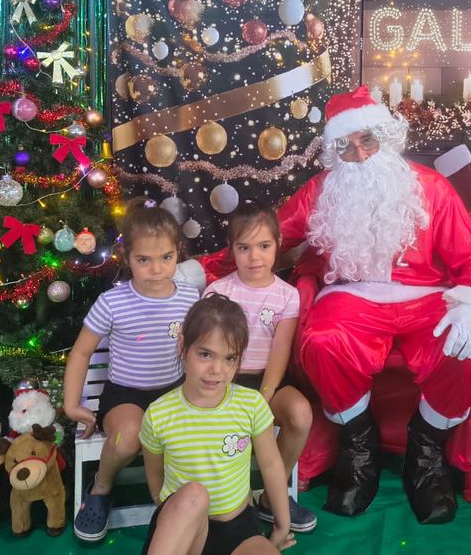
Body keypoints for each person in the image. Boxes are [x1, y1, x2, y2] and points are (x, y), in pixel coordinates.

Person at [180, 86, 471, 525]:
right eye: (346, 146)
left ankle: (426, 450)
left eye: (367, 141)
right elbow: (265, 238)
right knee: (321, 341)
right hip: (351, 295)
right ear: (335, 151)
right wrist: (198, 270)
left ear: (386, 138)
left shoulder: (430, 188)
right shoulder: (323, 192)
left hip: (424, 297)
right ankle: (360, 444)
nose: (358, 154)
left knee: (461, 343)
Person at [63, 197, 201, 542]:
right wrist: (71, 404)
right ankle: (101, 488)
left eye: (166, 258)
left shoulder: (188, 297)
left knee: (193, 436)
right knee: (128, 439)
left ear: (178, 252)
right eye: (144, 260)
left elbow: (200, 349)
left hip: (172, 392)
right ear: (127, 259)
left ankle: (186, 499)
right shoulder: (113, 301)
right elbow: (81, 353)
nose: (156, 269)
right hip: (125, 394)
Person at [140, 294, 295, 554]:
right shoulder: (159, 414)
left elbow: (271, 464)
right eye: (205, 354)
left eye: (229, 358)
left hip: (238, 528)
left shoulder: (251, 404)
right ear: (183, 347)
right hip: (183, 526)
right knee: (193, 495)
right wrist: (169, 512)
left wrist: (282, 524)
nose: (217, 369)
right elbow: (155, 478)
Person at [202, 202, 316, 533]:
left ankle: (271, 496)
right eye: (244, 248)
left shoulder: (287, 296)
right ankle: (228, 503)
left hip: (268, 382)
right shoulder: (218, 292)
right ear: (232, 249)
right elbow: (209, 351)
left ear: (278, 243)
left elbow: (280, 350)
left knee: (300, 413)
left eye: (264, 246)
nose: (255, 257)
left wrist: (264, 397)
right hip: (226, 382)